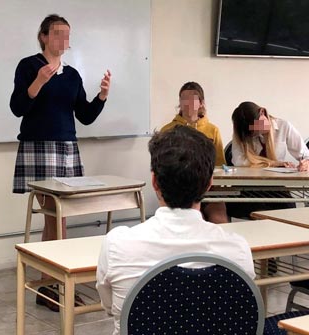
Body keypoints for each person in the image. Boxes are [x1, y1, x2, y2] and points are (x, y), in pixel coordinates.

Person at [96, 126, 255, 335]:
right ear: (209, 184)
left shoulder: (117, 245)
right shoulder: (237, 250)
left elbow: (110, 308)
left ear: (154, 182)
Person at [9, 13, 111, 311]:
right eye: (56, 33)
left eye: (67, 34)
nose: (62, 39)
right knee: (56, 215)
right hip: (38, 145)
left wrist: (102, 96)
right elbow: (18, 107)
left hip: (67, 147)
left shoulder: (73, 75)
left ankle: (48, 285)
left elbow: (86, 116)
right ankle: (54, 284)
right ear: (43, 37)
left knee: (57, 216)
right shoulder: (29, 66)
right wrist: (39, 81)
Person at [160, 81, 228, 223]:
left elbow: (220, 164)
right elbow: (161, 165)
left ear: (201, 103)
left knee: (218, 218)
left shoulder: (212, 130)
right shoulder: (168, 130)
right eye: (184, 99)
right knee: (196, 220)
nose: (188, 104)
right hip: (181, 189)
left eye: (193, 100)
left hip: (209, 189)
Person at [228, 101, 309, 219]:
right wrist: (275, 164)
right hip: (248, 185)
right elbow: (239, 161)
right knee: (241, 207)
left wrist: (306, 162)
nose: (259, 132)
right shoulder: (243, 133)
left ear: (262, 112)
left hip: (276, 185)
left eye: (258, 127)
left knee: (288, 210)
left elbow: (305, 154)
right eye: (254, 132)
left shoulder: (283, 126)